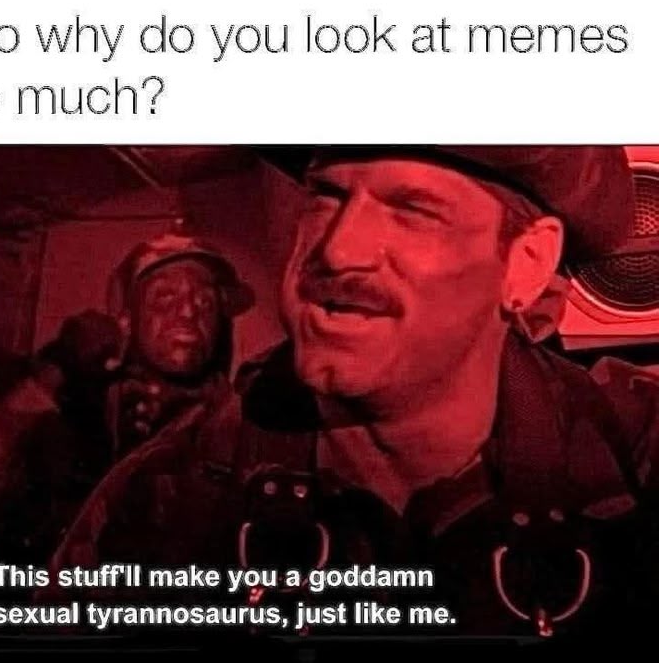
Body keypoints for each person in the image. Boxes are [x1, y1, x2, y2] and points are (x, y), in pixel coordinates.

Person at [47, 147, 659, 640]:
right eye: (325, 197)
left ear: (525, 263)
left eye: (413, 210)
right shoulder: (171, 492)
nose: (338, 250)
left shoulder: (633, 459)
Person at [0, 225, 253, 627]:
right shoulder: (75, 406)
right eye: (165, 297)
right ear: (126, 319)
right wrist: (56, 367)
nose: (191, 312)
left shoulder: (240, 424)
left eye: (206, 302)